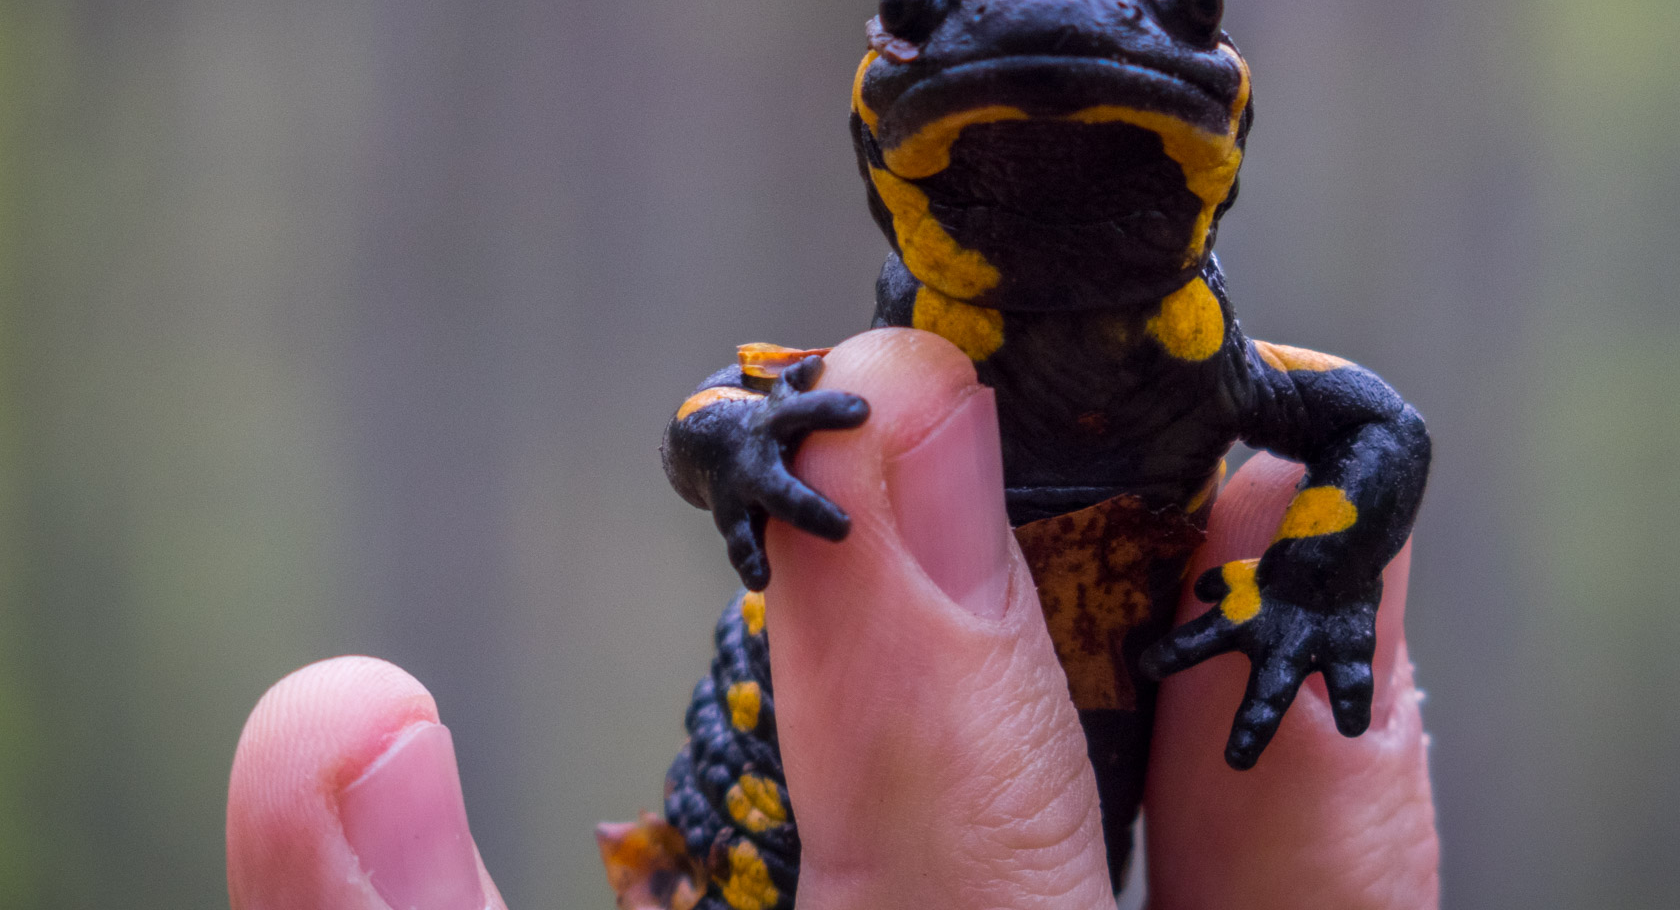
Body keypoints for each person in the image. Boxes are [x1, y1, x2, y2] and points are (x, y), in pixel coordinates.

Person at [225, 330, 1439, 910]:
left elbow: (1387, 435)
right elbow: (704, 425)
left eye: (1186, 14)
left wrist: (1308, 580)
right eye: (919, 14)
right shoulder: (856, 367)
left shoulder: (1222, 365)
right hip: (743, 847)